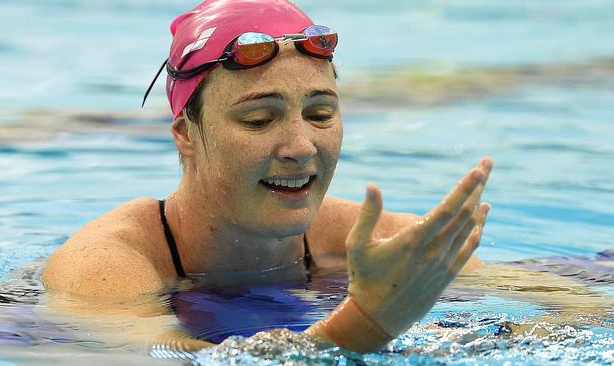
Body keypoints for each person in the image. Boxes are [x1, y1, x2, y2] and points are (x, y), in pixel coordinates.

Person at [42, 0, 492, 353]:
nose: (300, 147)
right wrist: (370, 321)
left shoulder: (369, 244)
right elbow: (171, 357)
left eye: (319, 114)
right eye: (258, 120)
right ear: (185, 134)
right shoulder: (102, 270)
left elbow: (552, 308)